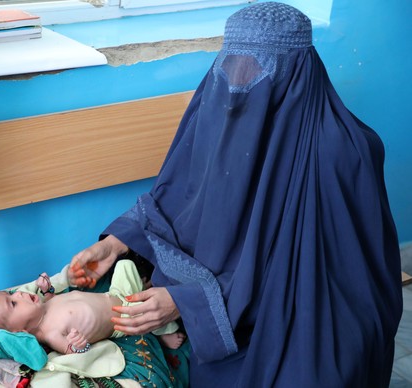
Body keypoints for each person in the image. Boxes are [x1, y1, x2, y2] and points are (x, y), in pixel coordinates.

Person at [68, 2, 403, 387]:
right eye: (232, 63)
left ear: (300, 71)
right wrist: (116, 245)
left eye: (259, 68)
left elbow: (322, 279)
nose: (241, 80)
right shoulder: (216, 115)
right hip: (229, 308)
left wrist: (187, 301)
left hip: (311, 318)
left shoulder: (343, 151)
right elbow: (177, 199)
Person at [0, 260, 186, 371]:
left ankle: (139, 290)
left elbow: (57, 297)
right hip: (123, 320)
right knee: (148, 316)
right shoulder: (52, 334)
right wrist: (78, 345)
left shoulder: (43, 304)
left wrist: (47, 290)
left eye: (12, 294)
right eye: (13, 303)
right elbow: (76, 354)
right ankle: (161, 332)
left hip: (114, 295)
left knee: (126, 265)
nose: (21, 294)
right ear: (19, 333)